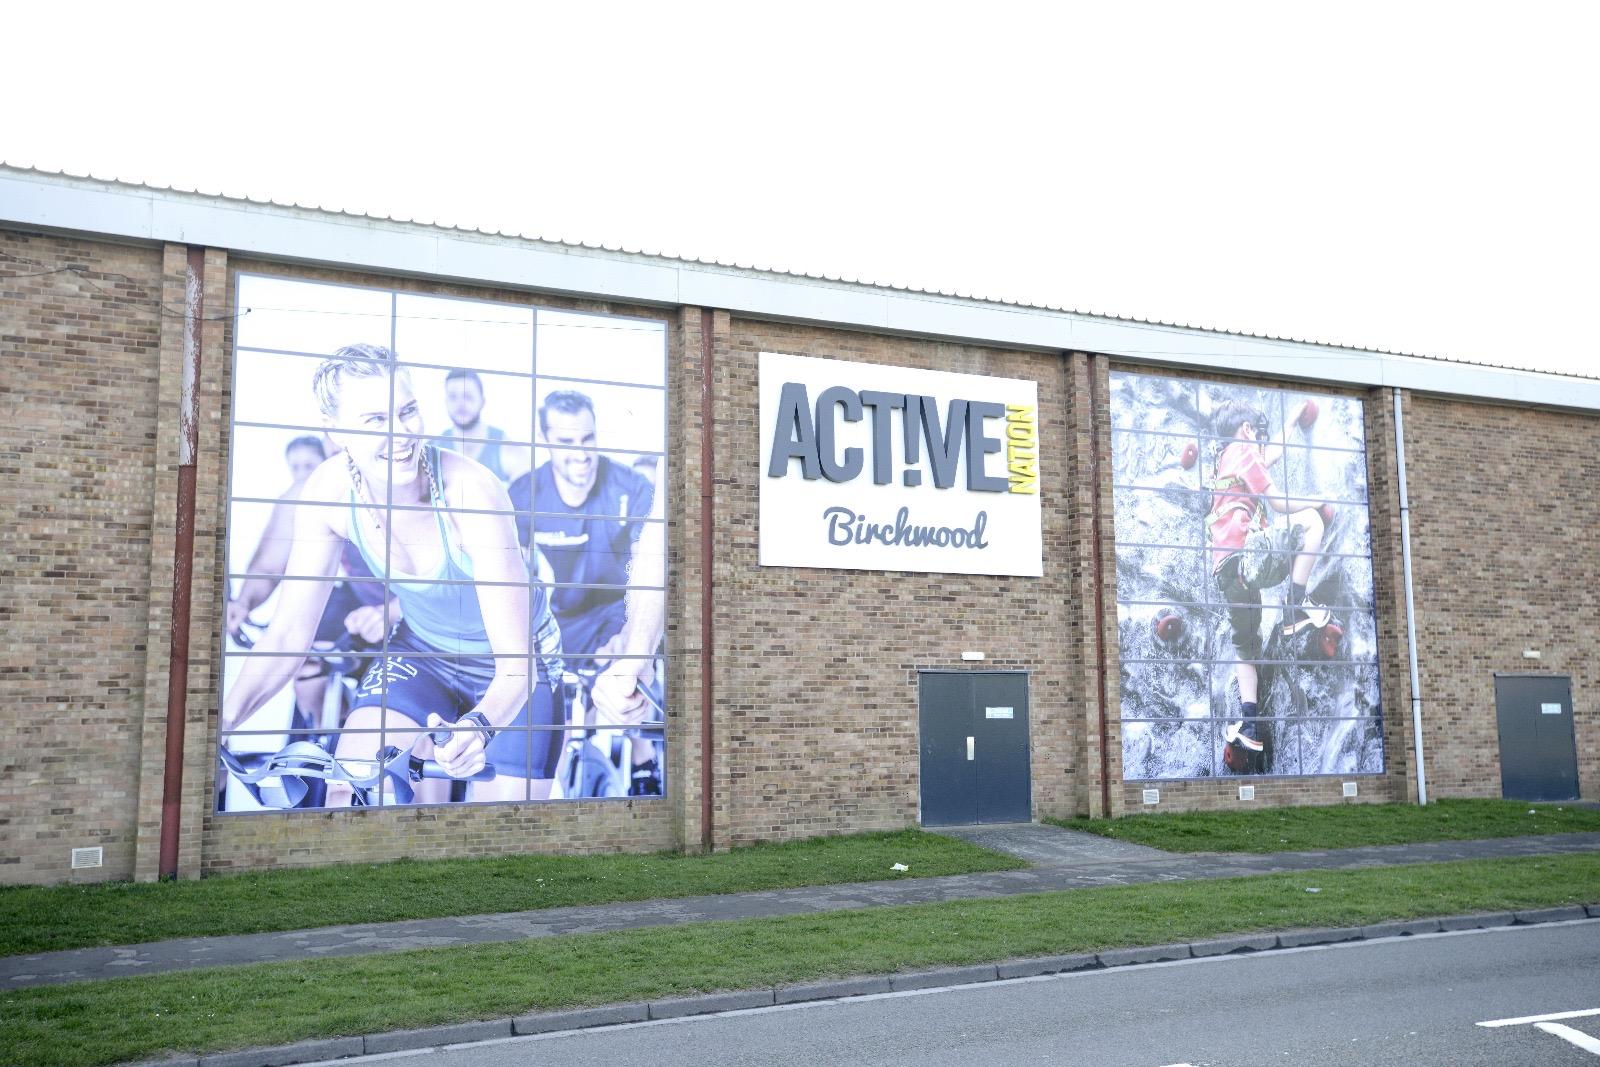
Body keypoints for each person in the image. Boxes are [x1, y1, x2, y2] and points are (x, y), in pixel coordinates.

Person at [221, 344, 561, 805]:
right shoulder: (329, 492)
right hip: (423, 652)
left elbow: (517, 667)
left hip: (516, 665)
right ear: (336, 430)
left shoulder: (472, 491)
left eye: (407, 411)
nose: (400, 434)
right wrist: (220, 724)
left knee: (503, 825)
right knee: (349, 790)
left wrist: (479, 727)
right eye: (375, 420)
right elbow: (287, 636)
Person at [508, 389, 661, 794]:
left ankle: (645, 765)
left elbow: (647, 572)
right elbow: (511, 579)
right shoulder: (524, 494)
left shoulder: (631, 487)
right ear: (546, 440)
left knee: (624, 675)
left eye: (587, 438)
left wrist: (629, 639)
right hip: (562, 616)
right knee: (555, 718)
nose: (581, 453)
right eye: (566, 442)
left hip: (617, 608)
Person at [1207, 398, 1330, 773]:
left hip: (1227, 572)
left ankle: (1249, 724)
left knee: (1245, 646)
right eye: (1256, 434)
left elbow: (1269, 455)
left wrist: (1290, 419)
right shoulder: (1245, 450)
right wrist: (1317, 502)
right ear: (1246, 430)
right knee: (1311, 522)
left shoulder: (1225, 460)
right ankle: (1296, 604)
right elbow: (1277, 503)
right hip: (1249, 558)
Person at [435, 368, 530, 483]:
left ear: (482, 401)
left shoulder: (510, 452)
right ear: (445, 402)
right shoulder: (432, 450)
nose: (460, 404)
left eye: (468, 396)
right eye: (453, 397)